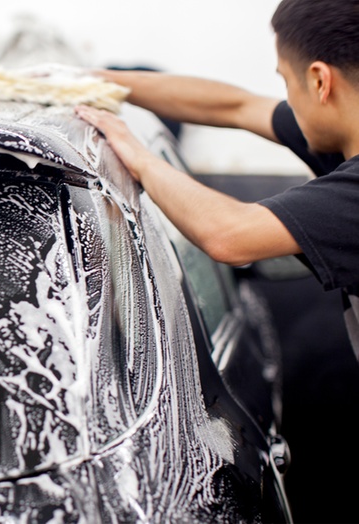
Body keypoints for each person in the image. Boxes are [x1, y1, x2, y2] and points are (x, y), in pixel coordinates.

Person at [75, 0, 359, 358]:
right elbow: (235, 106)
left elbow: (228, 235)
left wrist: (137, 157)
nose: (286, 98)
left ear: (320, 81)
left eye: (286, 81)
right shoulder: (340, 135)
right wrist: (95, 82)